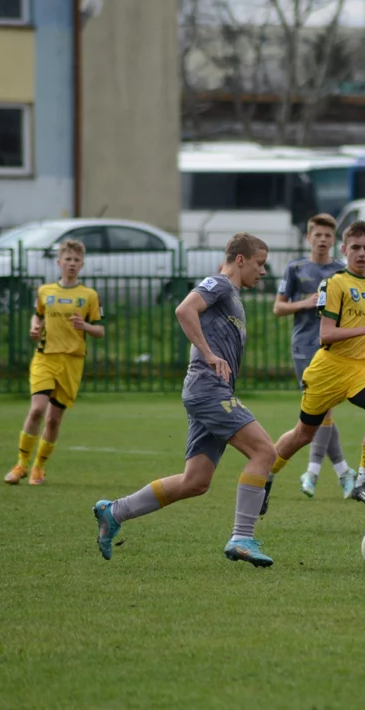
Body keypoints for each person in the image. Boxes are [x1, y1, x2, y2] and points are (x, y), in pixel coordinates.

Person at [92, 233, 278, 567]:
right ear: (240, 259)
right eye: (259, 263)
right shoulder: (219, 284)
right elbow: (184, 309)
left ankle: (114, 511)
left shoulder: (232, 294)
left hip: (210, 392)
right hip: (208, 390)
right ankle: (242, 537)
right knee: (265, 451)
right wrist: (208, 354)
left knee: (196, 482)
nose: (263, 271)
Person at [262, 220, 365, 513]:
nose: (361, 253)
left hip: (362, 367)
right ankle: (263, 479)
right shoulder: (334, 284)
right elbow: (326, 334)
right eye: (356, 248)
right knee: (303, 434)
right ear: (345, 249)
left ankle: (363, 481)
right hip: (329, 368)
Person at [5, 239, 104, 486]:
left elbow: (100, 330)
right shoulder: (45, 292)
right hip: (45, 357)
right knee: (37, 409)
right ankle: (20, 465)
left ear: (82, 265)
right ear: (59, 263)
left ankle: (39, 467)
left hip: (72, 362)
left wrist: (86, 326)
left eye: (76, 260)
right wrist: (34, 328)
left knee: (53, 419)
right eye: (68, 259)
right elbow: (37, 316)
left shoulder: (88, 296)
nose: (72, 264)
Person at [273, 213, 357, 500]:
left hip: (332, 348)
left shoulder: (341, 272)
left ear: (334, 240)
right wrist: (305, 303)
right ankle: (340, 472)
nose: (322, 240)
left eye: (327, 236)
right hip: (304, 348)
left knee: (323, 411)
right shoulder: (296, 268)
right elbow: (278, 308)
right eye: (317, 235)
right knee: (321, 412)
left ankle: (319, 473)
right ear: (309, 238)